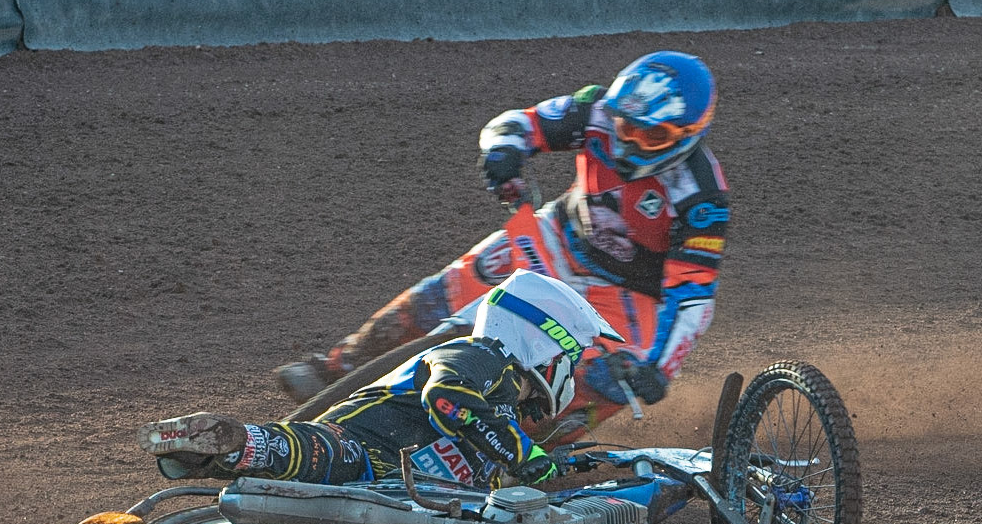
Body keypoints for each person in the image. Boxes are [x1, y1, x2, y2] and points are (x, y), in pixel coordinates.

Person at [274, 50, 730, 432]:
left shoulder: (702, 198)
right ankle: (339, 368)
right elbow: (517, 123)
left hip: (629, 299)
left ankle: (515, 456)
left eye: (652, 136)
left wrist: (658, 367)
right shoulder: (595, 112)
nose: (628, 143)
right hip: (556, 240)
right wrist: (505, 150)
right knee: (440, 296)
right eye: (624, 126)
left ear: (690, 135)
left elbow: (692, 296)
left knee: (599, 385)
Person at [139, 270, 622, 489]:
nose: (573, 370)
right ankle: (224, 444)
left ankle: (213, 460)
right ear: (545, 342)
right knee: (325, 458)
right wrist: (521, 454)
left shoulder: (500, 408)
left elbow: (488, 443)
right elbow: (448, 400)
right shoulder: (480, 357)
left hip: (396, 486)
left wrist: (544, 465)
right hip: (363, 445)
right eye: (572, 357)